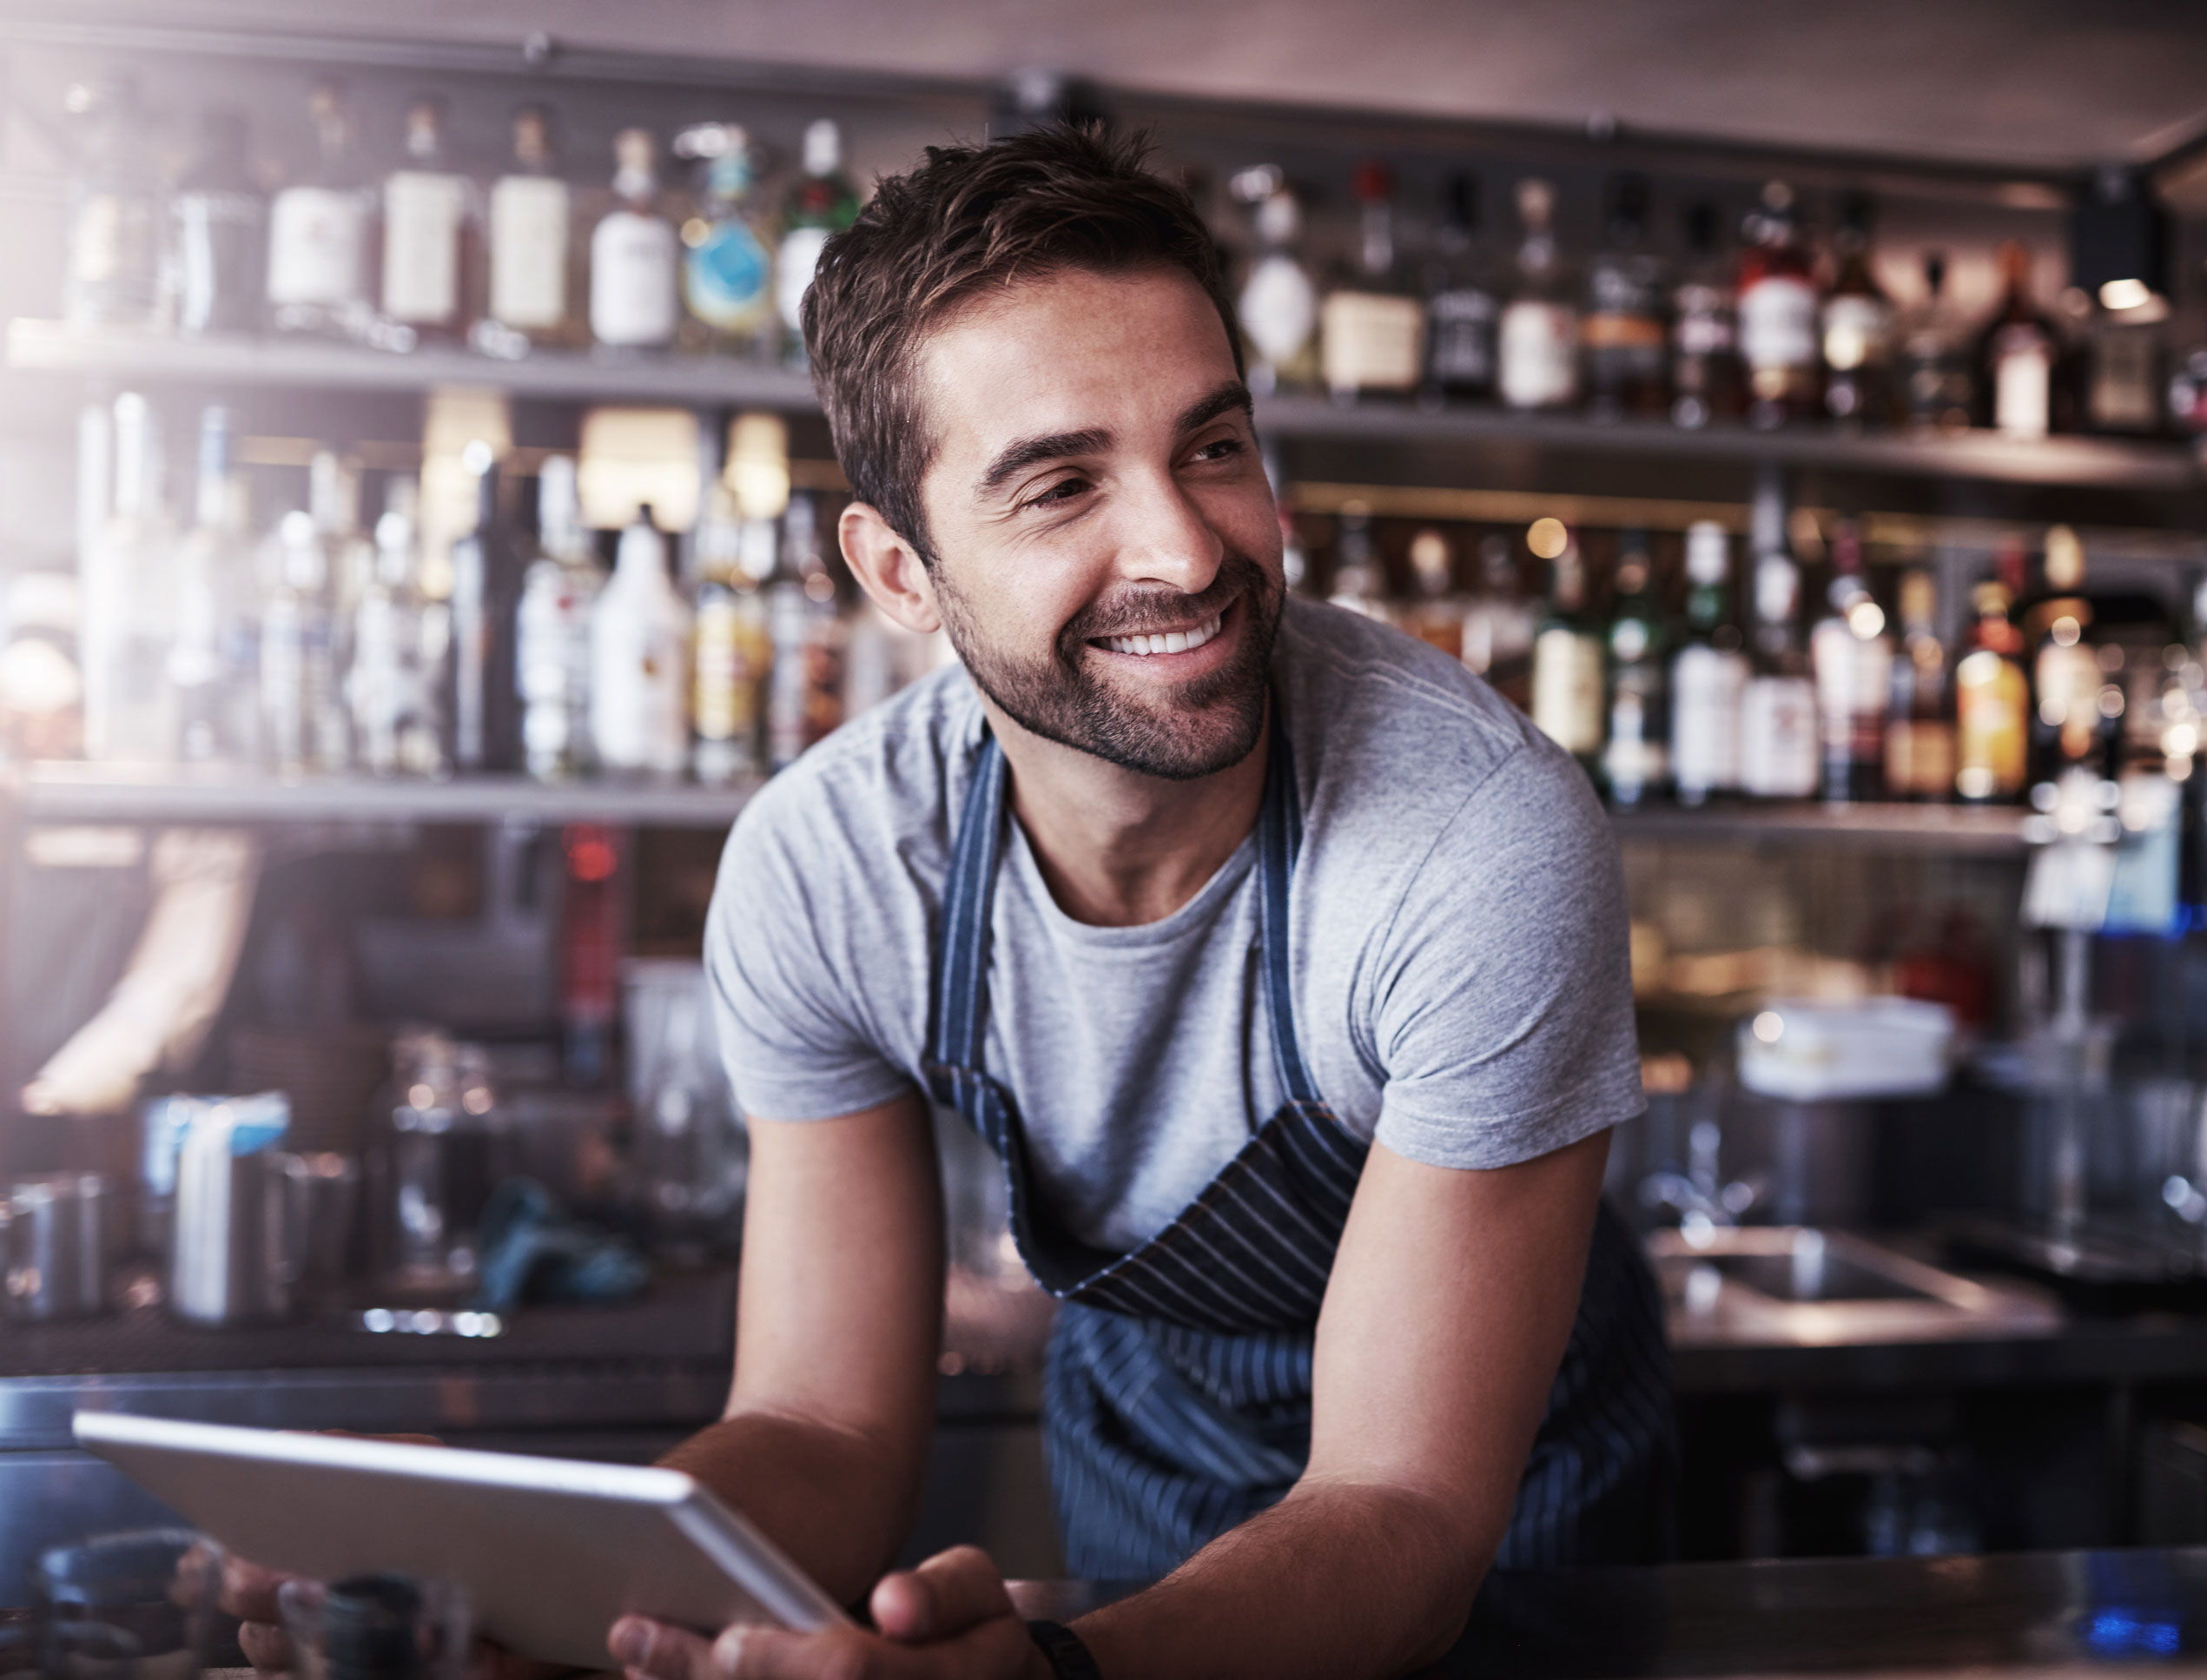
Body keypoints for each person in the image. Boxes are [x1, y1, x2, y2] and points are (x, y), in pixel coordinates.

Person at [236, 123, 1670, 1680]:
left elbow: (1398, 1503)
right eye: (1060, 485)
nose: (1185, 548)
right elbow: (824, 1427)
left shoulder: (1475, 839)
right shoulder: (834, 869)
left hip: (1498, 1507)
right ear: (899, 570)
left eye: (1212, 444)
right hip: (1151, 1453)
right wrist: (523, 1576)